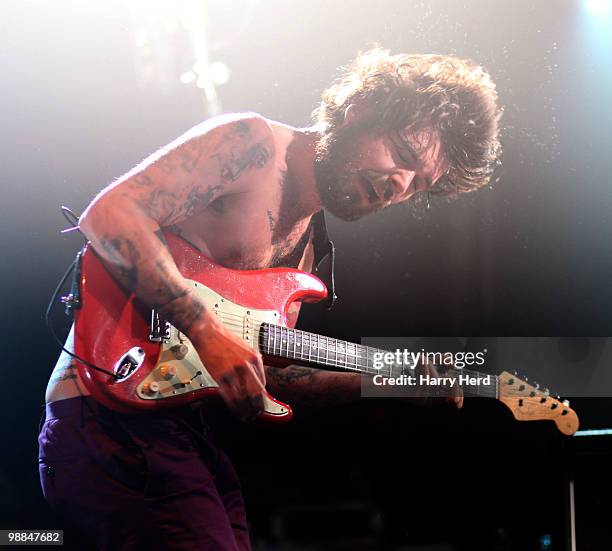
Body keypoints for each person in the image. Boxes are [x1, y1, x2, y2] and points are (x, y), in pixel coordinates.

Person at [38, 48, 502, 550]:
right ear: (362, 110)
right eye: (405, 157)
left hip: (182, 433)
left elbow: (271, 372)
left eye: (419, 184)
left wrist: (388, 380)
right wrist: (204, 328)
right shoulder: (250, 143)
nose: (400, 185)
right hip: (105, 417)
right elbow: (109, 214)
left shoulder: (307, 254)